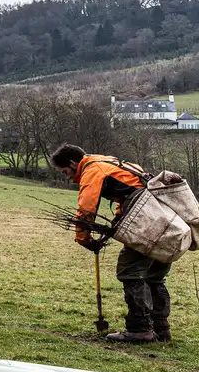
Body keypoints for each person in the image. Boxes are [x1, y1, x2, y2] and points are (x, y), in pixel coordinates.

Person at [49, 143, 169, 343]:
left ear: (72, 163)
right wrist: (118, 219)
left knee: (129, 270)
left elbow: (86, 210)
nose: (67, 177)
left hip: (148, 222)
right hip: (165, 219)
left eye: (65, 172)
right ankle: (161, 329)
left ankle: (140, 329)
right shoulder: (109, 162)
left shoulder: (92, 170)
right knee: (154, 275)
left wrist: (84, 239)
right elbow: (131, 192)